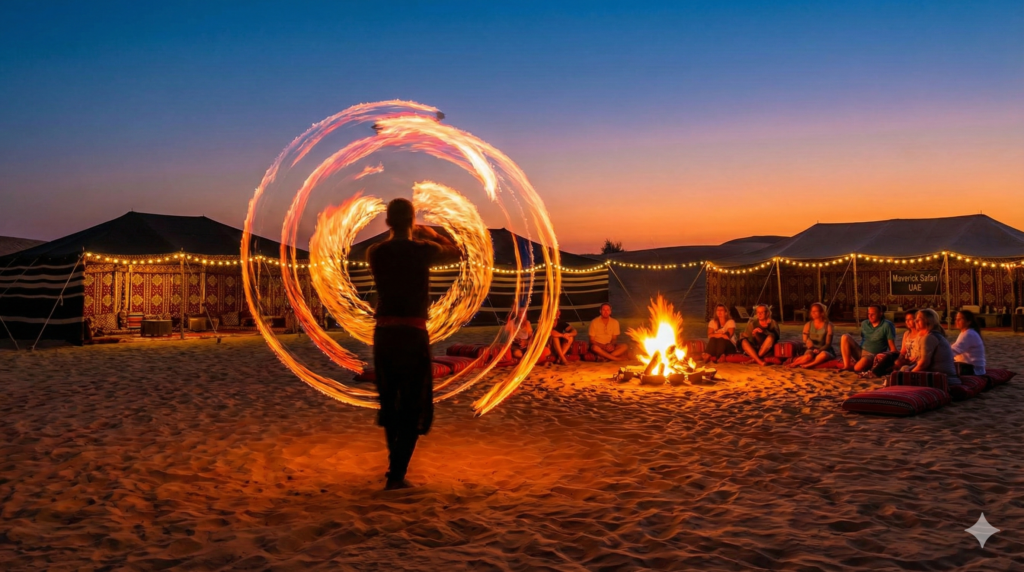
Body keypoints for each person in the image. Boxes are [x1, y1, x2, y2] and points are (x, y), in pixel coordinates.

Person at [367, 198, 461, 490]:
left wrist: (405, 229)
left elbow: (393, 249)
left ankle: (395, 464)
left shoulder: (375, 252)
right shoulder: (424, 250)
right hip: (412, 334)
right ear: (413, 221)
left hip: (383, 335)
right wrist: (430, 234)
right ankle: (396, 474)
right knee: (412, 402)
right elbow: (458, 251)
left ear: (387, 222)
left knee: (390, 400)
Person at [840, 304, 896, 372]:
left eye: (873, 314)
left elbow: (892, 347)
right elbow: (864, 338)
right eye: (869, 314)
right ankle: (847, 366)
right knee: (845, 337)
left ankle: (862, 364)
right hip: (860, 351)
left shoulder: (887, 325)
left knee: (857, 368)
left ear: (880, 314)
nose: (870, 316)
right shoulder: (864, 323)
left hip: (873, 355)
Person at [912, 308, 959, 384]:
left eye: (919, 319)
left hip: (943, 378)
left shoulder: (929, 337)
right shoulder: (932, 335)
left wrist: (909, 374)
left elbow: (924, 364)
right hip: (943, 376)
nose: (915, 321)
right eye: (915, 319)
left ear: (928, 321)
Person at [790, 302, 834, 368]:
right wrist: (807, 341)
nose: (812, 313)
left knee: (823, 355)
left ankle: (809, 365)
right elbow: (805, 339)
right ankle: (794, 364)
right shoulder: (808, 325)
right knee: (808, 356)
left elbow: (828, 344)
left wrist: (820, 350)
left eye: (815, 311)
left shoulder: (828, 325)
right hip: (811, 349)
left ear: (821, 313)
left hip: (824, 349)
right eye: (812, 311)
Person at [951, 309, 986, 376]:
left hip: (972, 369)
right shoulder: (965, 332)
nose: (957, 321)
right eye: (956, 319)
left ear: (968, 322)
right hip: (969, 366)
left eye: (960, 319)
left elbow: (955, 350)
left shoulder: (969, 334)